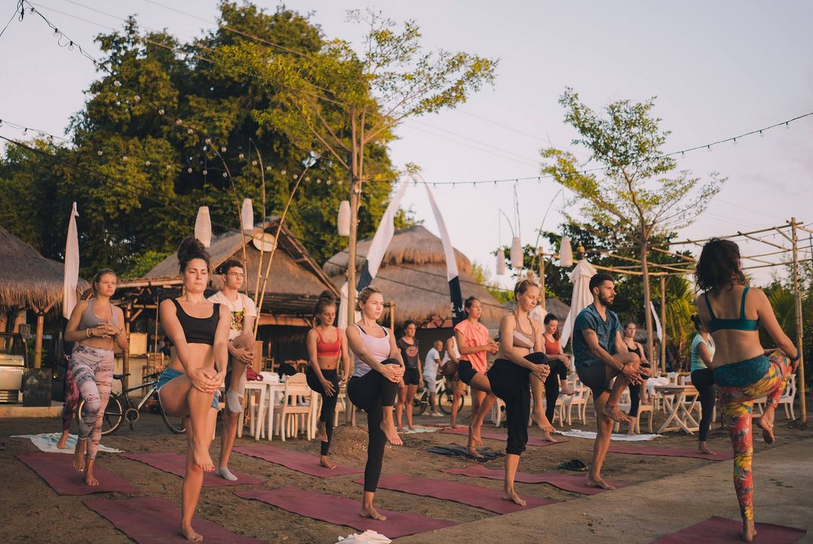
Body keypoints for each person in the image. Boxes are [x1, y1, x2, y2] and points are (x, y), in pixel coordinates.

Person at [694, 239, 799, 542]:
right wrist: (795, 356)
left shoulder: (702, 302)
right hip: (757, 375)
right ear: (735, 262)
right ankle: (768, 413)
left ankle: (748, 526)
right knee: (785, 357)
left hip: (726, 380)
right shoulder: (753, 296)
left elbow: (724, 335)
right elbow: (782, 340)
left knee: (743, 458)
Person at [157, 238, 230, 543]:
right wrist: (193, 371)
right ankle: (200, 442)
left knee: (195, 461)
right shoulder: (169, 305)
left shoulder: (221, 310)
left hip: (208, 386)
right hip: (176, 381)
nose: (199, 276)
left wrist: (223, 372)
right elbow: (182, 344)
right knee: (201, 443)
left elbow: (222, 345)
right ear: (183, 275)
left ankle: (186, 523)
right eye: (193, 271)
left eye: (203, 272)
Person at [457, 280, 551, 505]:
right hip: (503, 372)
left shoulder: (536, 325)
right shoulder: (508, 319)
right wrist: (535, 366)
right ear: (519, 295)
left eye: (536, 297)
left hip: (520, 378)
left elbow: (539, 352)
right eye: (530, 296)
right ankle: (539, 410)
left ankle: (508, 488)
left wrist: (545, 366)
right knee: (538, 361)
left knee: (519, 435)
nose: (533, 301)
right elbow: (507, 351)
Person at [573, 273, 647, 490]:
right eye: (608, 288)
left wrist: (635, 368)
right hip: (588, 368)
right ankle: (611, 406)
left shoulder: (613, 317)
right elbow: (595, 349)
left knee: (606, 425)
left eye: (613, 288)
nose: (613, 292)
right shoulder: (586, 316)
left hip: (604, 371)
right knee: (632, 358)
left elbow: (620, 349)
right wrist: (625, 365)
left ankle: (593, 476)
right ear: (596, 290)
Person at [345, 286, 405, 521]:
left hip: (383, 390)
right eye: (374, 303)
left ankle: (367, 505)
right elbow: (362, 353)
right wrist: (384, 367)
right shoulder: (353, 329)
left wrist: (399, 368)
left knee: (376, 450)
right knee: (388, 363)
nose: (379, 307)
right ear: (362, 304)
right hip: (361, 387)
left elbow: (397, 353)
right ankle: (388, 422)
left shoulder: (388, 331)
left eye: (381, 303)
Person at [63, 269, 128, 485]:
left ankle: (89, 470)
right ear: (96, 284)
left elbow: (125, 346)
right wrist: (90, 333)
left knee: (98, 417)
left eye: (114, 282)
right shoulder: (84, 306)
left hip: (106, 361)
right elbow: (69, 334)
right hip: (83, 357)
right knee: (91, 403)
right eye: (106, 282)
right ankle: (80, 442)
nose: (110, 285)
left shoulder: (118, 312)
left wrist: (116, 332)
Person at [206, 259, 257, 482]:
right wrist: (233, 351)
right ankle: (203, 454)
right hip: (216, 355)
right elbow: (215, 335)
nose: (238, 278)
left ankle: (223, 465)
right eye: (234, 274)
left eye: (241, 275)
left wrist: (243, 352)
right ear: (224, 277)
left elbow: (247, 333)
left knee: (233, 414)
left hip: (238, 359)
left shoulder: (248, 302)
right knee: (207, 411)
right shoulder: (213, 301)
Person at [306, 291, 351, 469]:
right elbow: (313, 360)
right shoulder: (313, 333)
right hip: (315, 375)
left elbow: (346, 356)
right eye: (327, 314)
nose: (331, 317)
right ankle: (321, 422)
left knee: (331, 411)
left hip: (332, 375)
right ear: (319, 315)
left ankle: (324, 456)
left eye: (333, 314)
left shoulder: (341, 333)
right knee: (331, 393)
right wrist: (323, 381)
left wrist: (346, 373)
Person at [454, 296, 500, 456]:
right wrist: (485, 347)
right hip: (466, 367)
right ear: (467, 309)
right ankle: (477, 425)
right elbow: (462, 350)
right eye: (475, 306)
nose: (479, 309)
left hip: (480, 369)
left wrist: (494, 348)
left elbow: (492, 346)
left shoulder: (483, 329)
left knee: (477, 408)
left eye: (480, 306)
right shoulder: (461, 327)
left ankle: (470, 448)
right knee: (495, 390)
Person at [690, 314, 717, 455]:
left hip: (709, 374)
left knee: (707, 411)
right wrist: (724, 371)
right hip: (700, 375)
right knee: (724, 373)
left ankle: (702, 445)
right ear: (700, 325)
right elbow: (708, 362)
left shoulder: (710, 339)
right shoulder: (699, 341)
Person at [541, 313, 575, 425]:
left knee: (552, 397)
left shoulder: (556, 339)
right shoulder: (542, 337)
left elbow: (561, 353)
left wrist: (566, 359)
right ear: (545, 325)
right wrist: (559, 357)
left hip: (554, 371)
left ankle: (548, 424)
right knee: (560, 360)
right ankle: (565, 386)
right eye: (551, 326)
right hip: (546, 368)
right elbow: (542, 355)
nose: (554, 328)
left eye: (555, 326)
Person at [621, 322, 651, 435]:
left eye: (634, 329)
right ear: (625, 330)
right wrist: (642, 370)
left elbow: (643, 359)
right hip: (629, 372)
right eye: (630, 328)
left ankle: (631, 429)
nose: (632, 331)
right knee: (635, 397)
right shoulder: (623, 344)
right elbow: (627, 360)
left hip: (638, 373)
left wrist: (648, 368)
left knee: (635, 399)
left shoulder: (638, 345)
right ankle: (643, 394)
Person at [395, 320, 422, 431]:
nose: (412, 331)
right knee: (401, 400)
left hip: (414, 372)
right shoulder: (400, 342)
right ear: (405, 329)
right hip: (404, 372)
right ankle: (399, 425)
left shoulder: (415, 342)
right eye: (410, 328)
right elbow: (396, 357)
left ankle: (410, 424)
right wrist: (399, 373)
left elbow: (418, 359)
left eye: (414, 328)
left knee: (410, 400)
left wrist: (420, 375)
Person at [442, 335, 464, 428]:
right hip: (449, 365)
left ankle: (453, 421)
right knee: (460, 360)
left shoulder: (466, 340)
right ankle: (453, 422)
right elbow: (451, 355)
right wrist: (461, 364)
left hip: (459, 369)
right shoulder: (451, 340)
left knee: (457, 396)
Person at [423, 340, 444, 417]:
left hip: (427, 373)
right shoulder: (435, 352)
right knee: (433, 393)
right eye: (439, 345)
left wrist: (439, 370)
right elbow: (439, 362)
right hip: (430, 375)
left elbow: (433, 364)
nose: (441, 347)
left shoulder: (431, 351)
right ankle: (434, 411)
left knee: (426, 392)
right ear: (435, 345)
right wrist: (445, 368)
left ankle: (423, 410)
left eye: (442, 345)